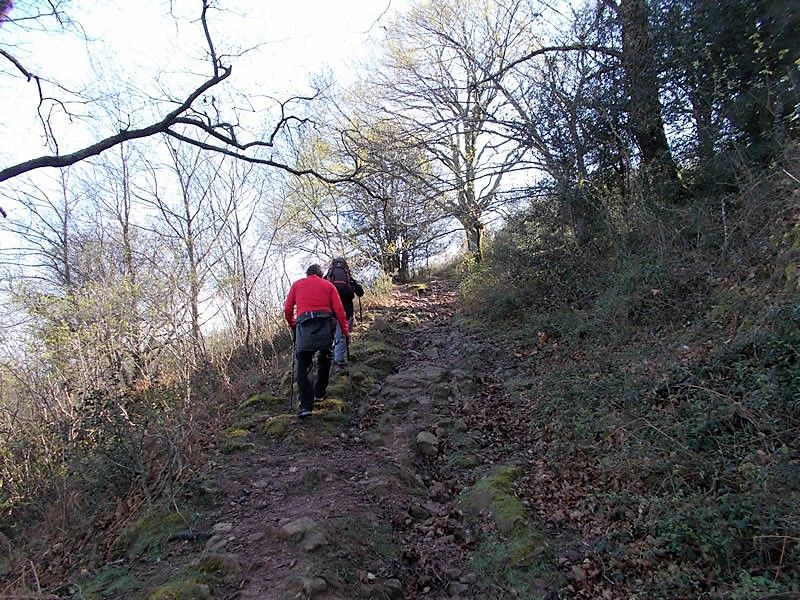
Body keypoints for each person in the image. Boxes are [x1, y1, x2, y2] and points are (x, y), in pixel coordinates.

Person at [283, 263, 349, 418]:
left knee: (303, 365)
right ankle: (319, 393)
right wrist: (345, 332)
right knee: (325, 359)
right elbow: (339, 310)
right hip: (324, 329)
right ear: (321, 274)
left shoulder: (297, 285)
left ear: (307, 274)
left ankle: (306, 406)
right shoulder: (328, 285)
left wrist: (293, 325)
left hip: (304, 329)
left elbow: (287, 310)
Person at [324, 256, 364, 367]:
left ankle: (330, 356)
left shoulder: (328, 277)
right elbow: (360, 292)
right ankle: (339, 361)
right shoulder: (348, 278)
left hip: (329, 312)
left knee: (331, 335)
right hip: (346, 310)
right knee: (342, 335)